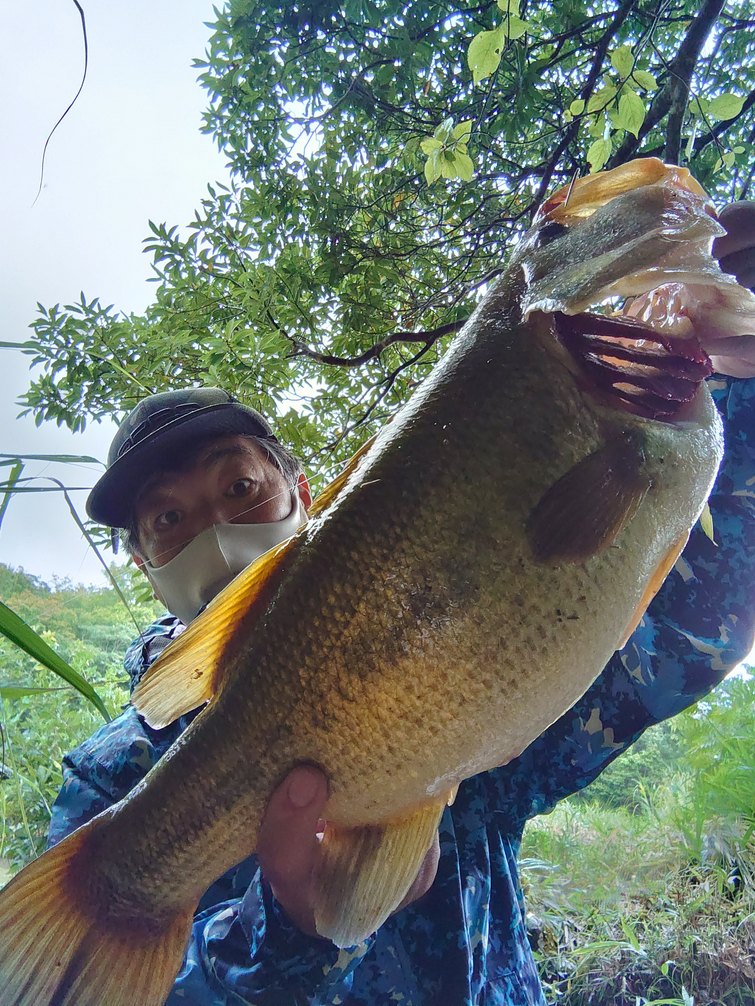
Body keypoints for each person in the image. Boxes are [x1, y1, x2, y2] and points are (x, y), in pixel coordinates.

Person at [47, 205, 755, 1006]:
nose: (215, 528)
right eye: (169, 518)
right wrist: (285, 939)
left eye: (240, 486)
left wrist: (730, 381)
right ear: (144, 563)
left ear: (303, 493)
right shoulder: (111, 782)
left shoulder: (474, 650)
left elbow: (691, 637)